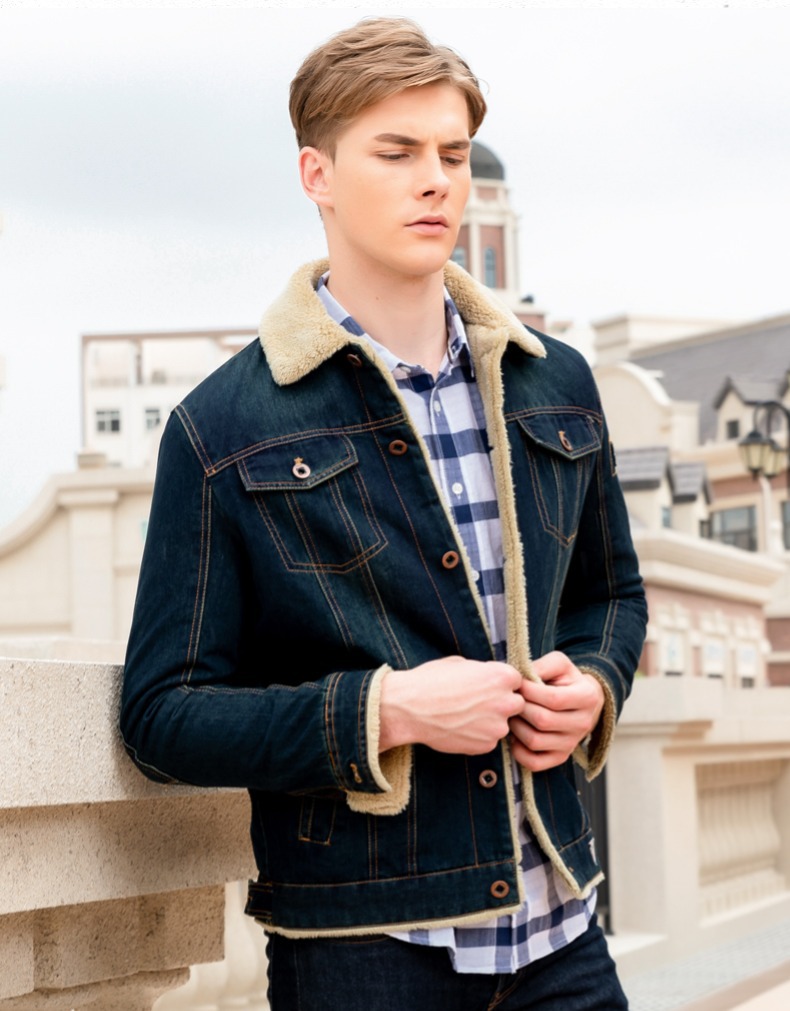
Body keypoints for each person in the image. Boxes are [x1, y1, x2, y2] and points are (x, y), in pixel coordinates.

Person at [121, 17, 647, 1010]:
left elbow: (611, 595)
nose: (435, 180)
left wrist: (593, 682)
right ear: (316, 175)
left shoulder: (556, 383)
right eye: (396, 152)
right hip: (364, 951)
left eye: (452, 153)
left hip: (562, 930)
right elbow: (163, 713)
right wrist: (387, 710)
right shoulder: (224, 426)